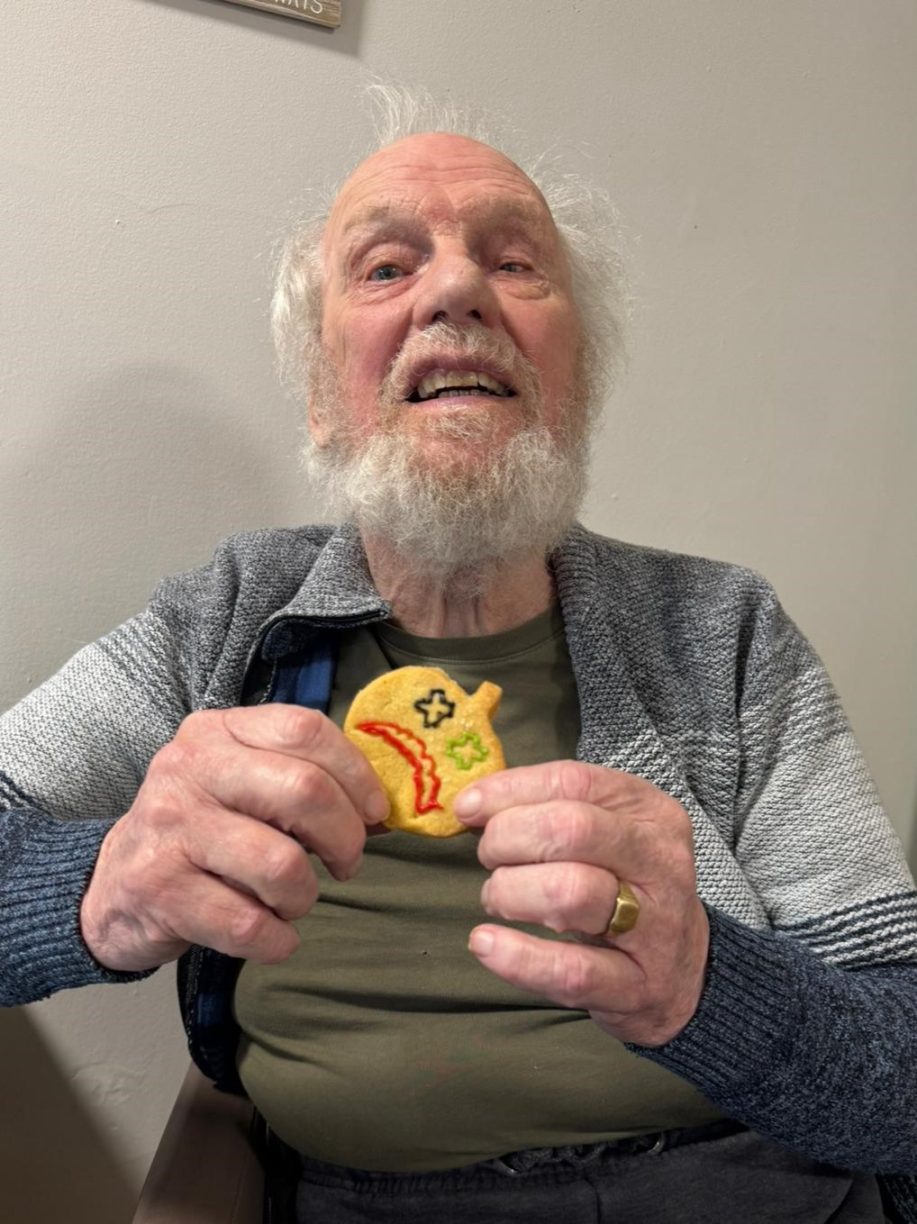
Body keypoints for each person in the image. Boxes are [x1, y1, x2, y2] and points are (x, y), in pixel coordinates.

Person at [2, 95, 917, 1222]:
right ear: (321, 393)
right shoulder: (224, 619)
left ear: (578, 375)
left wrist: (706, 983)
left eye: (514, 263)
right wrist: (104, 889)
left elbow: (901, 1072)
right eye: (385, 268)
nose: (455, 292)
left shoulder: (723, 631)